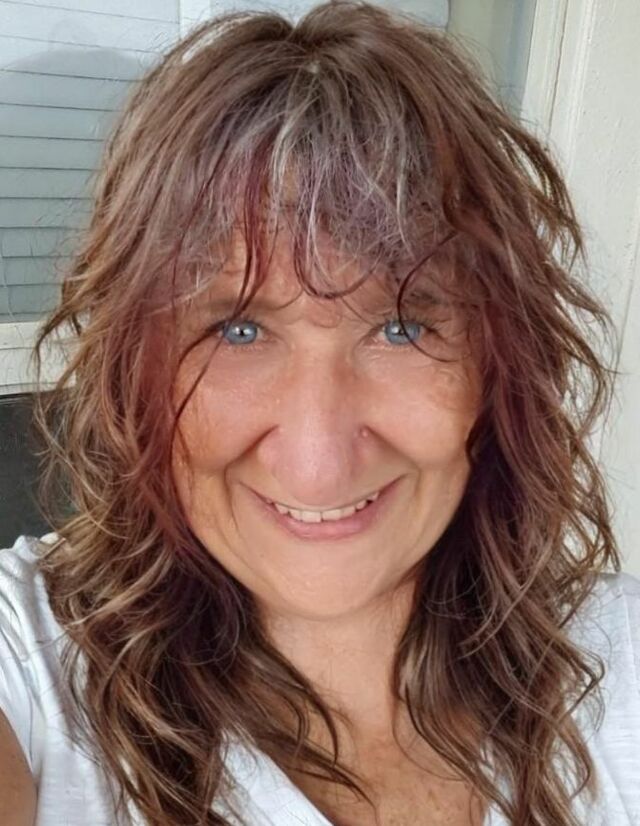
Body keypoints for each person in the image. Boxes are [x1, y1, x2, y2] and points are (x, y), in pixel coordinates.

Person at [1, 2, 639, 825]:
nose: (318, 460)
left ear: (498, 364)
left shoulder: (619, 660)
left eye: (401, 327)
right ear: (135, 369)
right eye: (238, 329)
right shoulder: (33, 670)